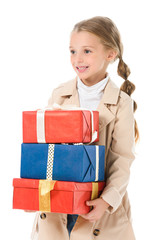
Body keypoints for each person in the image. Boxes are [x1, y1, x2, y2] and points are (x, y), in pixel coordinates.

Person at [31, 16, 139, 240]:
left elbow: (122, 159)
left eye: (87, 51)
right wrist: (35, 194)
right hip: (58, 207)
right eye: (72, 51)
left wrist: (107, 201)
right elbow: (47, 153)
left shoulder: (121, 103)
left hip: (99, 208)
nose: (77, 59)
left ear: (110, 54)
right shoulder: (59, 94)